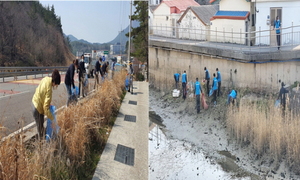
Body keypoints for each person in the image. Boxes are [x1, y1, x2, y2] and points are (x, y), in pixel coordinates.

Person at [32, 69, 61, 140]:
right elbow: (45, 109)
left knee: (41, 127)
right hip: (37, 108)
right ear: (54, 82)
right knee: (40, 130)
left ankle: (42, 143)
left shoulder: (46, 78)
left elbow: (41, 92)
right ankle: (41, 147)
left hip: (34, 102)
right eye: (56, 85)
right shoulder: (49, 91)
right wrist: (52, 119)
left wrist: (46, 103)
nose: (55, 86)